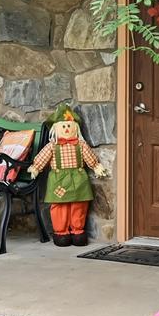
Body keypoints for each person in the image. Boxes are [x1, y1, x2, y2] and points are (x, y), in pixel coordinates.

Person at [26, 105, 108, 247]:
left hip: (78, 178)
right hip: (59, 180)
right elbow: (42, 158)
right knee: (59, 206)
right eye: (63, 126)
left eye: (69, 126)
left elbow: (90, 158)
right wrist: (36, 167)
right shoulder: (52, 145)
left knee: (79, 205)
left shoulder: (81, 145)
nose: (66, 129)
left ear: (75, 128)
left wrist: (96, 166)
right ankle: (61, 233)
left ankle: (78, 232)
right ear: (56, 129)